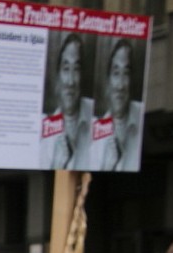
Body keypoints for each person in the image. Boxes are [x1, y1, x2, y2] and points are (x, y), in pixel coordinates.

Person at [40, 34, 93, 170]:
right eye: (66, 69)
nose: (70, 81)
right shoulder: (44, 133)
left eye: (76, 69)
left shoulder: (95, 117)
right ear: (58, 75)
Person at [94, 39, 143, 172]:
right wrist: (106, 166)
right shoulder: (95, 135)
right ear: (108, 79)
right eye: (116, 73)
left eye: (125, 74)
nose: (120, 85)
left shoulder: (142, 117)